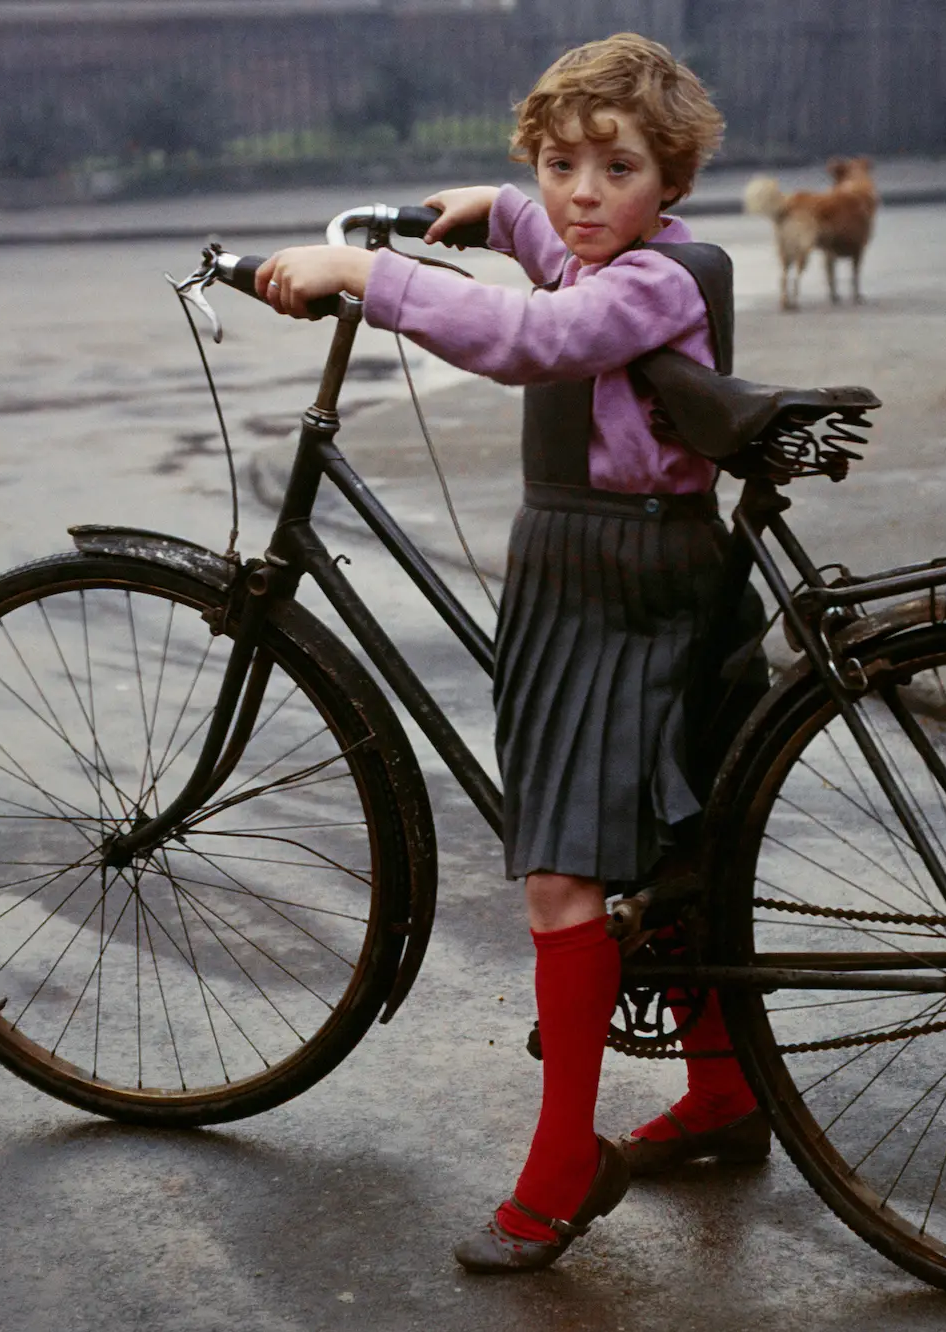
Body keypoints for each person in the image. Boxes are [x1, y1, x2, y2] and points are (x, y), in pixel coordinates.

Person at [252, 32, 769, 1274]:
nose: (582, 192)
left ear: (673, 186)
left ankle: (559, 1169)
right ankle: (722, 1090)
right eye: (559, 161)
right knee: (671, 850)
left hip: (620, 587)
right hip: (594, 573)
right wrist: (486, 209)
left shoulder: (656, 282)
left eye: (618, 168)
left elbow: (532, 338)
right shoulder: (599, 240)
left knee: (563, 874)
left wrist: (363, 277)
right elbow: (545, 239)